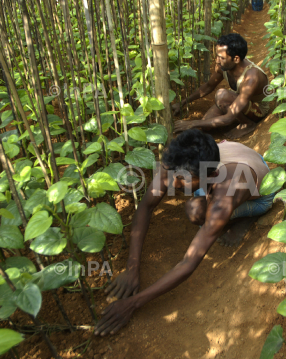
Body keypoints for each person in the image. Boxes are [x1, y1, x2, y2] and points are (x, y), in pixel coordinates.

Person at [94, 129, 276, 336]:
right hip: (236, 156)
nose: (172, 184)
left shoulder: (228, 191)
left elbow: (189, 262)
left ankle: (244, 218)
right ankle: (209, 202)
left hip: (259, 191)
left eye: (182, 180)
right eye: (172, 175)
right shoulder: (176, 161)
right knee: (195, 204)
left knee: (196, 213)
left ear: (211, 174)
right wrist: (132, 268)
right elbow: (146, 206)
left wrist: (133, 303)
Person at [172, 33, 270, 139]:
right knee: (205, 126)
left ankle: (248, 124)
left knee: (222, 95)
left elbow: (228, 118)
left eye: (221, 57)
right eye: (217, 56)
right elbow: (208, 86)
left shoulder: (252, 77)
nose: (217, 60)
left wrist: (192, 123)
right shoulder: (223, 66)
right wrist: (182, 103)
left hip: (257, 109)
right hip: (237, 100)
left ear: (236, 59)